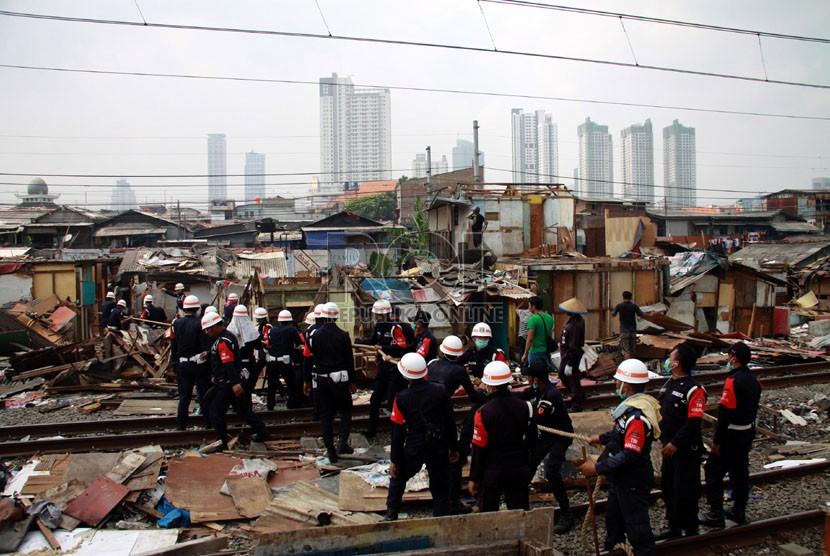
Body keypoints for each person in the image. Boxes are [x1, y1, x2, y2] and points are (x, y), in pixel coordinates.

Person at [577, 359, 659, 556]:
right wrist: (601, 438)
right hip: (621, 479)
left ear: (627, 385)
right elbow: (619, 433)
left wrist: (597, 468)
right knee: (614, 520)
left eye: (618, 381)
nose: (615, 385)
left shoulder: (638, 417)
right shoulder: (628, 410)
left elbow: (630, 454)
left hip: (633, 480)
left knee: (637, 528)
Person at [385, 352, 459, 521]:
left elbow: (398, 431)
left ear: (405, 374)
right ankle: (441, 517)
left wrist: (395, 460)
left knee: (399, 477)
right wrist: (453, 448)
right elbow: (450, 422)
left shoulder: (401, 397)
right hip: (438, 445)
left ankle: (391, 512)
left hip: (414, 446)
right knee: (440, 484)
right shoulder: (440, 391)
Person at [700, 342, 761, 527]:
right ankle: (739, 510)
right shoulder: (754, 380)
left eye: (729, 356)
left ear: (734, 358)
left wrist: (717, 441)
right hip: (747, 432)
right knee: (740, 472)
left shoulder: (733, 381)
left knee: (713, 470)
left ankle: (716, 512)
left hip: (731, 434)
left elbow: (725, 411)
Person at [468, 360, 536, 512]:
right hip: (518, 466)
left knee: (489, 512)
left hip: (492, 469)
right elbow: (533, 441)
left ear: (491, 386)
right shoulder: (526, 407)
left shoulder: (483, 412)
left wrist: (474, 477)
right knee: (519, 512)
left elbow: (478, 448)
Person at [656, 344, 706, 539]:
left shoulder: (695, 389)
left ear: (676, 363)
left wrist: (676, 443)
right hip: (668, 447)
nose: (668, 358)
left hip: (685, 449)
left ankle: (691, 526)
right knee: (668, 487)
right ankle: (673, 525)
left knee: (685, 488)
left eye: (671, 355)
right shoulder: (668, 383)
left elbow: (694, 421)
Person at [202, 311, 271, 451]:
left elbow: (228, 363)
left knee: (216, 412)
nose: (207, 333)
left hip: (227, 384)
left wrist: (234, 383)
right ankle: (263, 433)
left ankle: (222, 442)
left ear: (215, 327)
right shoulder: (227, 337)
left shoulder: (223, 341)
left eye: (208, 329)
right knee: (243, 411)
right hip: (229, 381)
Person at [523, 359, 574, 533]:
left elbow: (538, 416)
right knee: (530, 463)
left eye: (529, 377)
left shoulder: (551, 396)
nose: (528, 381)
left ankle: (566, 513)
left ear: (536, 378)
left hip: (560, 436)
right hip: (547, 435)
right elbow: (525, 393)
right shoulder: (540, 388)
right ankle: (521, 504)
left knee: (552, 471)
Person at [303, 302, 355, 462]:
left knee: (326, 416)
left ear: (322, 317)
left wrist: (306, 381)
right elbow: (349, 361)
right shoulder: (343, 336)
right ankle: (342, 443)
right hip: (341, 381)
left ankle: (331, 453)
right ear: (336, 316)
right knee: (346, 412)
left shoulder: (313, 336)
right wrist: (352, 381)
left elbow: (307, 359)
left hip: (322, 381)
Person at [170, 294, 212, 430]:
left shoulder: (176, 323)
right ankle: (208, 422)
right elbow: (205, 344)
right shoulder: (200, 322)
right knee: (203, 394)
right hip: (199, 363)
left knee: (184, 396)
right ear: (197, 308)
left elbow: (174, 345)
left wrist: (173, 364)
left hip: (183, 364)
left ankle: (181, 424)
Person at [363, 300, 396, 438]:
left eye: (378, 315)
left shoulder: (395, 327)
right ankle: (372, 430)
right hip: (383, 368)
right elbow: (372, 341)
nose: (376, 317)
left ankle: (397, 429)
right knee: (375, 398)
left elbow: (401, 347)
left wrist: (384, 349)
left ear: (385, 314)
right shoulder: (379, 327)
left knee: (393, 401)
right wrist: (357, 342)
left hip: (394, 369)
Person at [268, 309, 304, 408]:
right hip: (284, 362)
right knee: (292, 386)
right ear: (290, 321)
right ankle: (292, 406)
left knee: (271, 386)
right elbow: (299, 344)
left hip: (272, 361)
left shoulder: (273, 330)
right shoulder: (291, 330)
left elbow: (270, 344)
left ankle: (270, 406)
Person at [558, 297, 587, 412]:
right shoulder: (575, 321)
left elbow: (573, 344)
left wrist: (570, 362)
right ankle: (579, 395)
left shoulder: (575, 324)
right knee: (568, 375)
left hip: (571, 355)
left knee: (570, 377)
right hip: (569, 354)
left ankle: (576, 402)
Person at [227, 305, 262, 398]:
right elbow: (258, 346)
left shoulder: (229, 331)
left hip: (235, 365)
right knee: (248, 387)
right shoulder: (252, 331)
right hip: (249, 363)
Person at [521, 296, 554, 369]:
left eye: (529, 305)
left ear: (534, 306)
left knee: (533, 376)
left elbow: (530, 339)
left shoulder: (533, 319)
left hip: (535, 352)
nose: (528, 307)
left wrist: (525, 354)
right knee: (542, 376)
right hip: (546, 351)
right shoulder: (550, 318)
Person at [613, 291, 644, 359]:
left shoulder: (619, 306)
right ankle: (633, 365)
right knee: (633, 350)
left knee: (626, 350)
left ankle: (628, 366)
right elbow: (641, 314)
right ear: (631, 297)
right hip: (633, 331)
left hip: (624, 331)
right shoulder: (634, 306)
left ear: (623, 297)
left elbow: (613, 314)